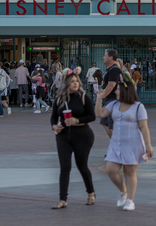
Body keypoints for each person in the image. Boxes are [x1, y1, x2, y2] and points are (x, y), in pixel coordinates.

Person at [94, 69, 154, 211]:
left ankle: (130, 201)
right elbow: (99, 113)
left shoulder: (138, 107)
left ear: (126, 91)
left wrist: (148, 146)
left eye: (118, 90)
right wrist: (99, 99)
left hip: (133, 144)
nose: (116, 92)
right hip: (116, 143)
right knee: (111, 169)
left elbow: (144, 127)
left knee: (129, 172)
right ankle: (123, 191)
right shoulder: (113, 104)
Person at [50, 70, 97, 209]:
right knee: (65, 167)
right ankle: (62, 200)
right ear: (66, 84)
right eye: (72, 82)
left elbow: (92, 116)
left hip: (82, 135)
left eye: (77, 81)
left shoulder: (83, 97)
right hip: (63, 136)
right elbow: (53, 117)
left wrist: (77, 120)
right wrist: (54, 126)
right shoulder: (59, 99)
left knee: (82, 166)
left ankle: (91, 192)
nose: (75, 84)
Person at [99, 49, 121, 139]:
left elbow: (111, 85)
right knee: (104, 122)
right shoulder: (110, 69)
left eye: (105, 55)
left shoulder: (114, 69)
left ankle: (117, 144)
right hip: (110, 100)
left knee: (112, 125)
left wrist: (101, 97)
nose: (103, 57)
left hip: (114, 100)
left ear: (111, 57)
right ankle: (115, 143)